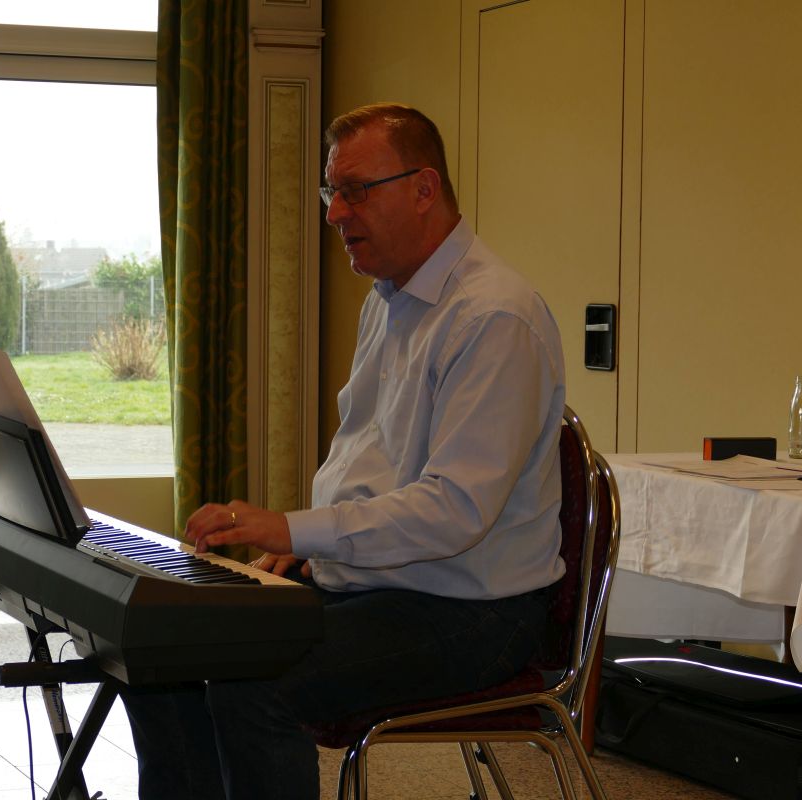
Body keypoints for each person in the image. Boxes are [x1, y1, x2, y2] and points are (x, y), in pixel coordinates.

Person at [121, 102, 566, 800]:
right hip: (375, 584)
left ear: (424, 189)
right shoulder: (385, 301)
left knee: (252, 683)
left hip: (472, 611)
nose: (334, 214)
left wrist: (293, 529)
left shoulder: (495, 318)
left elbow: (454, 511)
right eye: (332, 192)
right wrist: (313, 552)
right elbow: (367, 467)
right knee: (164, 647)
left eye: (356, 191)